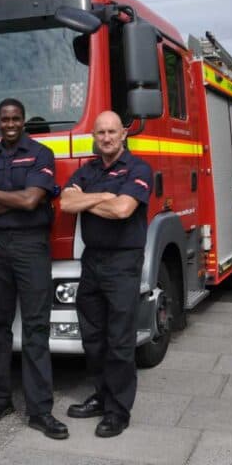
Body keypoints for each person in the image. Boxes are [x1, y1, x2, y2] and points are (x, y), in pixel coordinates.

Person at [0, 98, 68, 440]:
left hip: (31, 246)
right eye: (5, 119)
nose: (10, 124)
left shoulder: (41, 154)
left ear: (23, 121)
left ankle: (40, 411)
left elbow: (30, 201)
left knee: (36, 328)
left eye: (16, 118)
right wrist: (12, 200)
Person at [59, 110, 153, 438]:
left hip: (123, 264)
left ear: (123, 134)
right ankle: (101, 396)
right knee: (93, 338)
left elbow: (123, 210)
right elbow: (66, 204)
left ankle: (118, 410)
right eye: (101, 133)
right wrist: (101, 197)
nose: (107, 138)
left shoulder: (139, 169)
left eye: (112, 132)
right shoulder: (89, 170)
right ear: (94, 137)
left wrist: (87, 201)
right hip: (92, 261)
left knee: (119, 341)